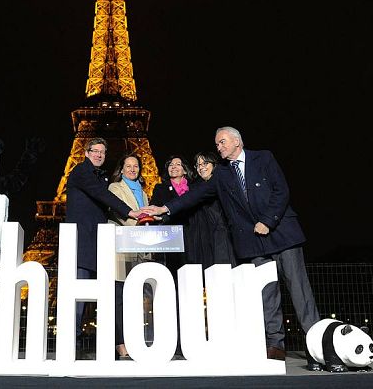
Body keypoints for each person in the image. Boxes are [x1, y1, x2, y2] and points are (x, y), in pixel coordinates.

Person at [141, 127, 322, 370]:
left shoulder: (264, 157)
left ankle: (315, 345)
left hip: (281, 234)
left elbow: (281, 191)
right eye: (217, 144)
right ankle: (275, 344)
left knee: (300, 291)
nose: (219, 147)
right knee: (267, 294)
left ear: (237, 141)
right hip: (254, 240)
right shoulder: (223, 174)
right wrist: (164, 209)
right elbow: (195, 195)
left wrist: (268, 221)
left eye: (222, 142)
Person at [64, 138, 145, 353]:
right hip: (82, 243)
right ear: (86, 152)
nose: (99, 155)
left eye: (103, 152)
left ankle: (113, 344)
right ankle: (71, 345)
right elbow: (103, 195)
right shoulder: (81, 172)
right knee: (79, 295)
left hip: (100, 243)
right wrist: (129, 211)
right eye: (95, 151)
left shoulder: (103, 177)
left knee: (107, 296)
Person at [107, 153, 152, 360]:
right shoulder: (115, 188)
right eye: (129, 166)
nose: (133, 169)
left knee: (134, 298)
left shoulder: (143, 192)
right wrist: (142, 226)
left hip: (139, 251)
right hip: (122, 249)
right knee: (119, 299)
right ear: (122, 169)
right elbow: (118, 212)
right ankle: (120, 343)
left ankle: (135, 341)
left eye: (136, 166)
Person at [188, 151, 237, 269]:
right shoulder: (195, 189)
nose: (201, 167)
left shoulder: (225, 182)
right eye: (198, 165)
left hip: (227, 235)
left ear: (214, 164)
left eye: (205, 163)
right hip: (206, 239)